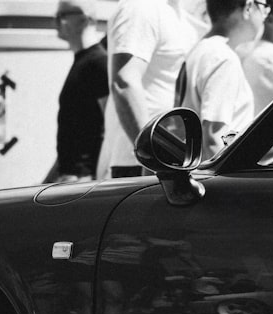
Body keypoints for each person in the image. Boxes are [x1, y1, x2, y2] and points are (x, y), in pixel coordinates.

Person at [94, 0, 201, 180]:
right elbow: (124, 82)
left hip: (167, 159)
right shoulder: (140, 7)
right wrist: (153, 157)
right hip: (139, 164)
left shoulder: (179, 15)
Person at [176, 0, 260, 161]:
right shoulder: (223, 58)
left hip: (195, 167)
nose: (265, 16)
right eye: (264, 8)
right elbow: (213, 137)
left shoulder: (201, 49)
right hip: (215, 177)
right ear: (248, 7)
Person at [44, 0, 108, 183]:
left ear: (85, 19)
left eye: (62, 16)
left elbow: (110, 127)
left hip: (83, 181)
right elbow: (72, 134)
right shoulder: (84, 62)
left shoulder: (97, 63)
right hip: (72, 179)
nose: (57, 23)